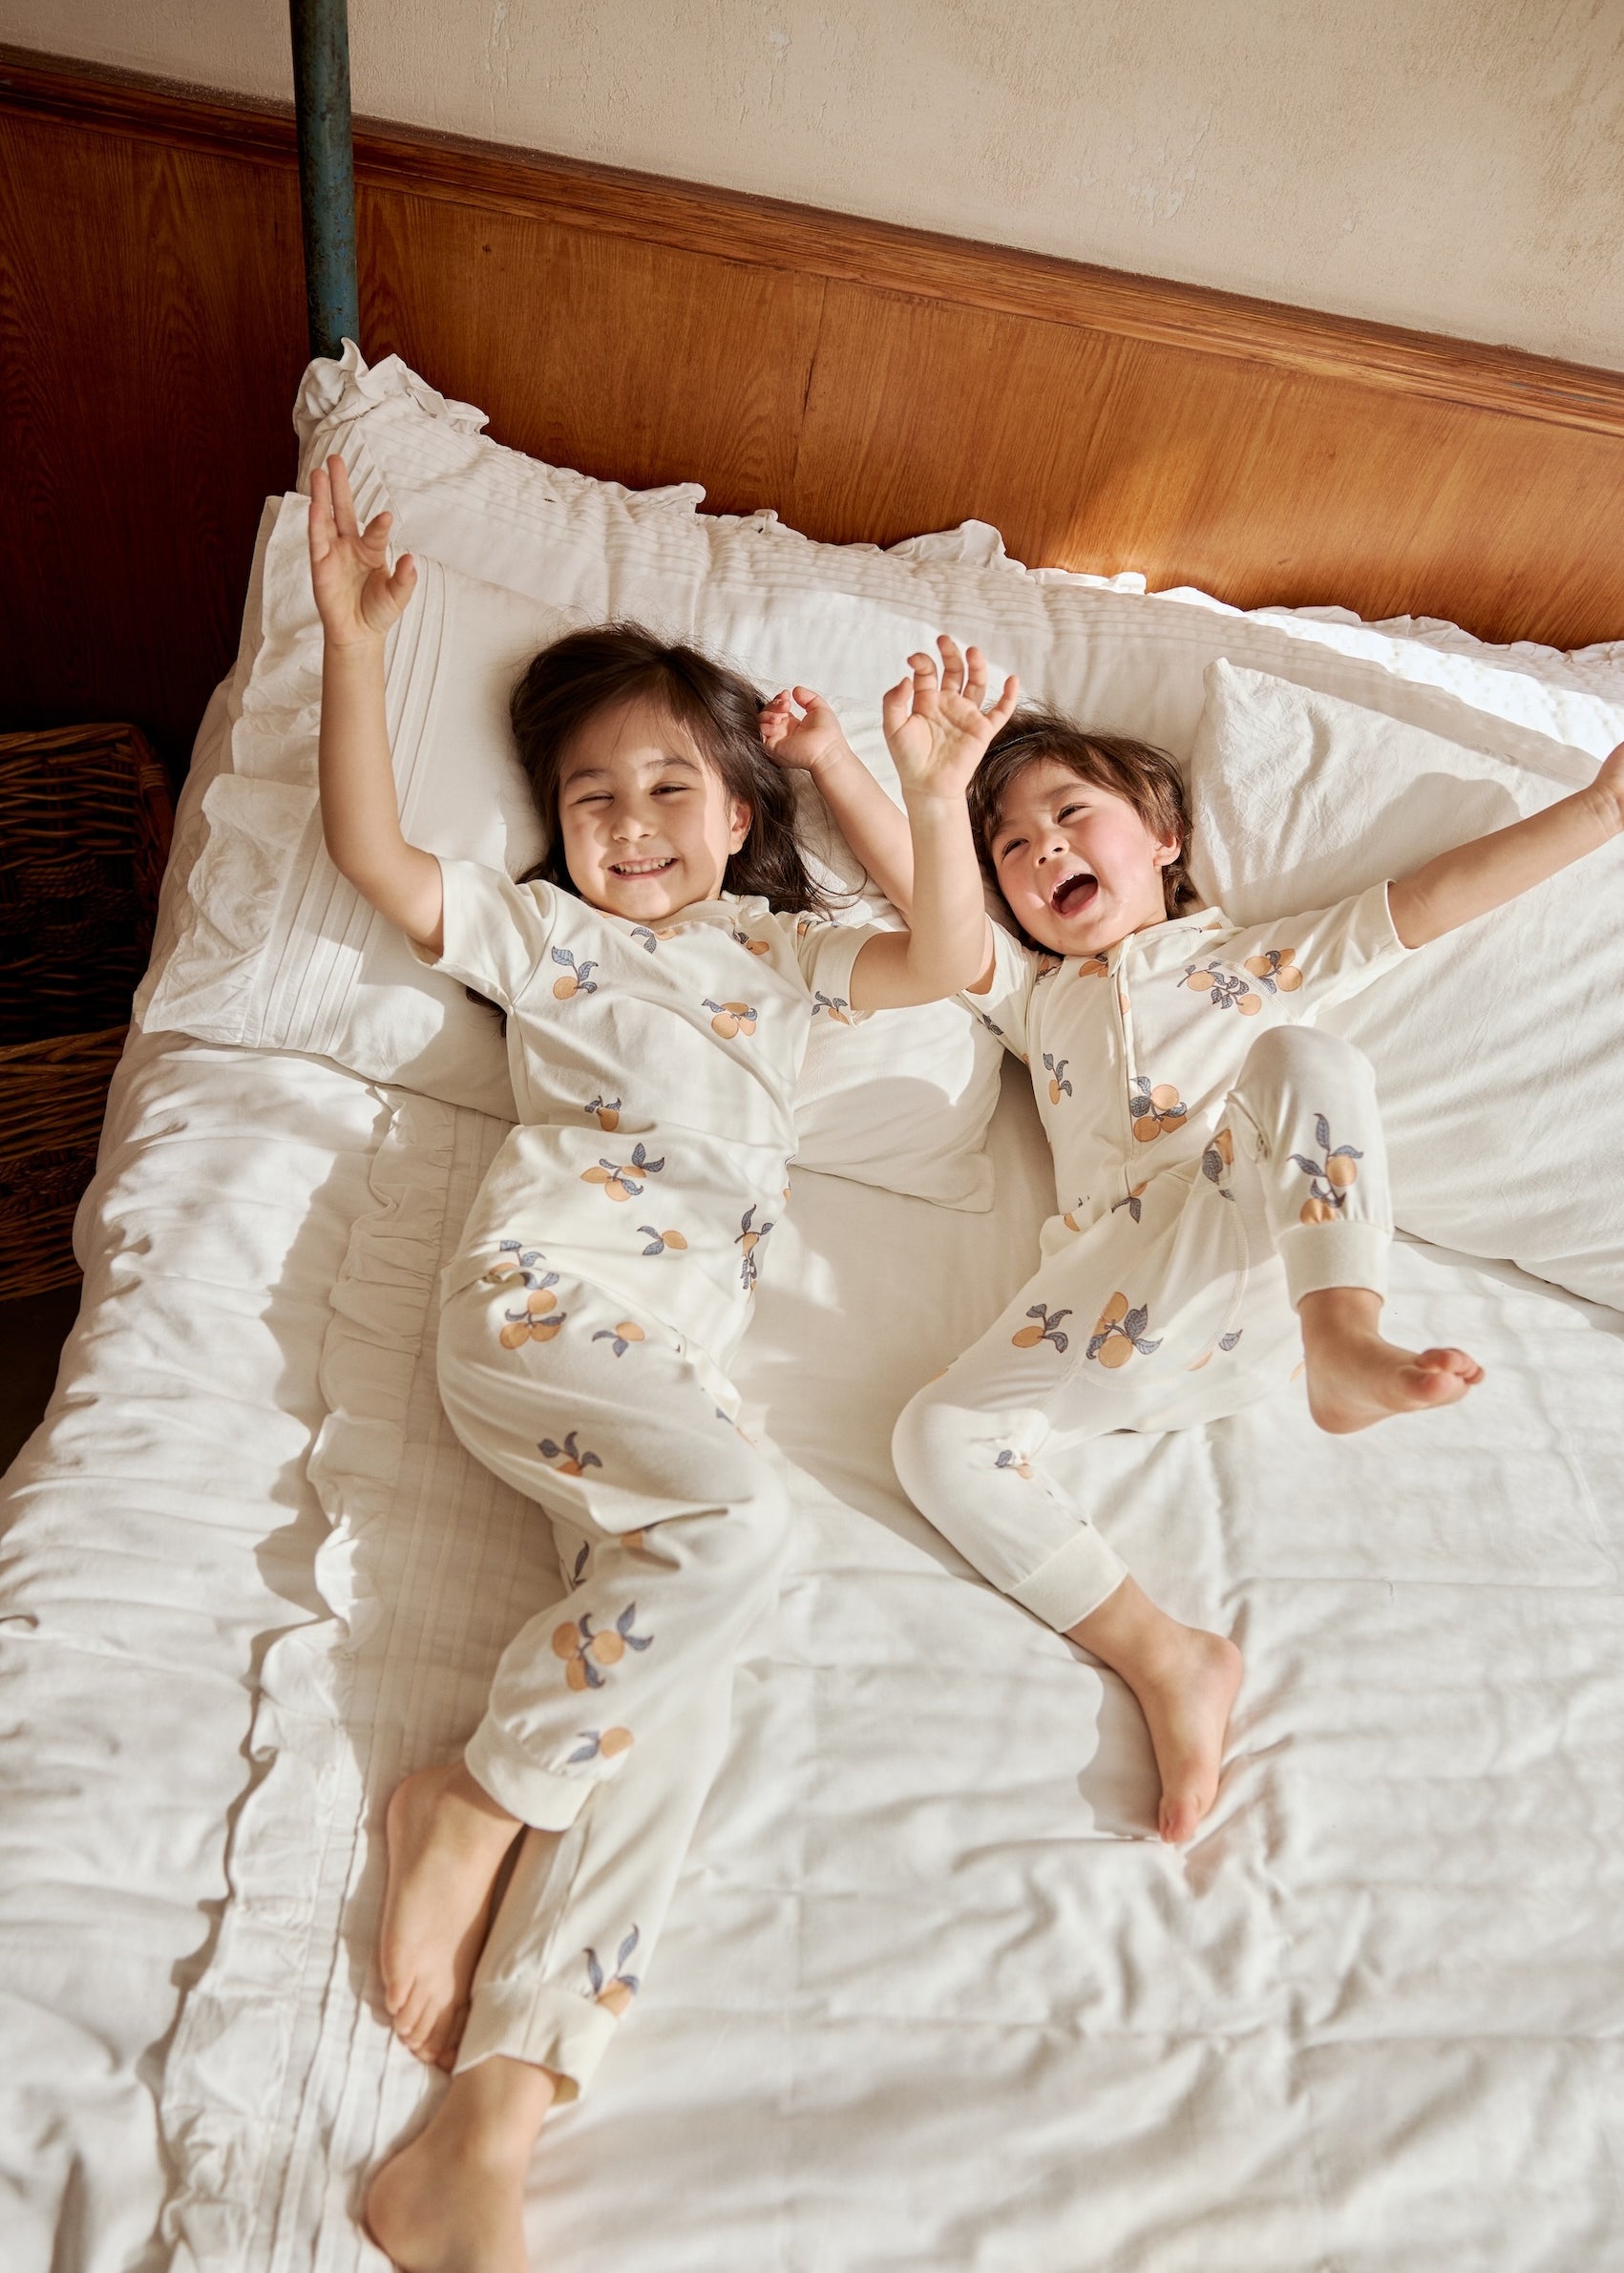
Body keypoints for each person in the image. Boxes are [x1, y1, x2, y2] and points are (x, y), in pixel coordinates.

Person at [305, 456, 1017, 2272]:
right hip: (543, 1310)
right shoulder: (547, 942)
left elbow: (950, 955)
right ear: (556, 823)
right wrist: (351, 650)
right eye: (590, 792)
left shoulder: (779, 958)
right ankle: (467, 1796)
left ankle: (493, 2120)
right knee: (749, 1543)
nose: (631, 818)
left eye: (672, 785)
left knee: (673, 1716)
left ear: (739, 810)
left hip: (669, 1373)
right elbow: (381, 865)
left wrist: (920, 788)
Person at [762, 660, 1624, 1848]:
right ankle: (1168, 1656)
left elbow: (1426, 901)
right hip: (1113, 1315)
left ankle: (1347, 1340)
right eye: (1012, 846)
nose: (1040, 848)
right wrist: (833, 762)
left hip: (1257, 1274)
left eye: (1071, 814)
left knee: (1303, 1059)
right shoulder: (1031, 994)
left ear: (1163, 834)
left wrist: (1599, 811)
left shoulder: (1258, 960)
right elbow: (930, 888)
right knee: (933, 1436)